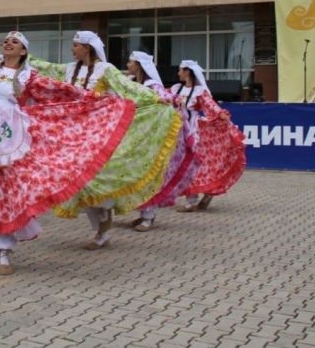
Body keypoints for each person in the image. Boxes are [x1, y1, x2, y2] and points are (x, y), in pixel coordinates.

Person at [0, 31, 134, 274]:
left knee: (7, 192)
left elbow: (61, 90)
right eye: (5, 40)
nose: (7, 43)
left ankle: (4, 250)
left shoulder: (29, 77)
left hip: (12, 136)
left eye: (14, 42)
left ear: (23, 51)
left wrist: (95, 98)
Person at [31, 31, 180, 249]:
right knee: (77, 180)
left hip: (98, 132)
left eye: (75, 45)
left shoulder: (106, 70)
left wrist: (157, 98)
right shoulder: (69, 69)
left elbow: (129, 89)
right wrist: (24, 57)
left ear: (87, 48)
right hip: (73, 133)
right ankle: (101, 220)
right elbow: (47, 68)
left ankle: (102, 229)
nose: (72, 49)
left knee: (95, 179)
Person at [127, 51, 199, 232]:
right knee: (136, 175)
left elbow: (167, 98)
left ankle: (148, 216)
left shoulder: (152, 85)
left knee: (148, 175)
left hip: (150, 137)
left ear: (139, 65)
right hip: (136, 135)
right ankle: (142, 212)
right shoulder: (132, 82)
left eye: (130, 62)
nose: (128, 65)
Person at [172, 60, 246, 213]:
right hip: (177, 129)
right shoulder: (175, 88)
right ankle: (197, 197)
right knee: (180, 163)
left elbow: (210, 106)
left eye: (180, 70)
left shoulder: (199, 91)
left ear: (187, 72)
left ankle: (192, 200)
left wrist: (221, 115)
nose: (178, 73)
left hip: (192, 130)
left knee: (191, 163)